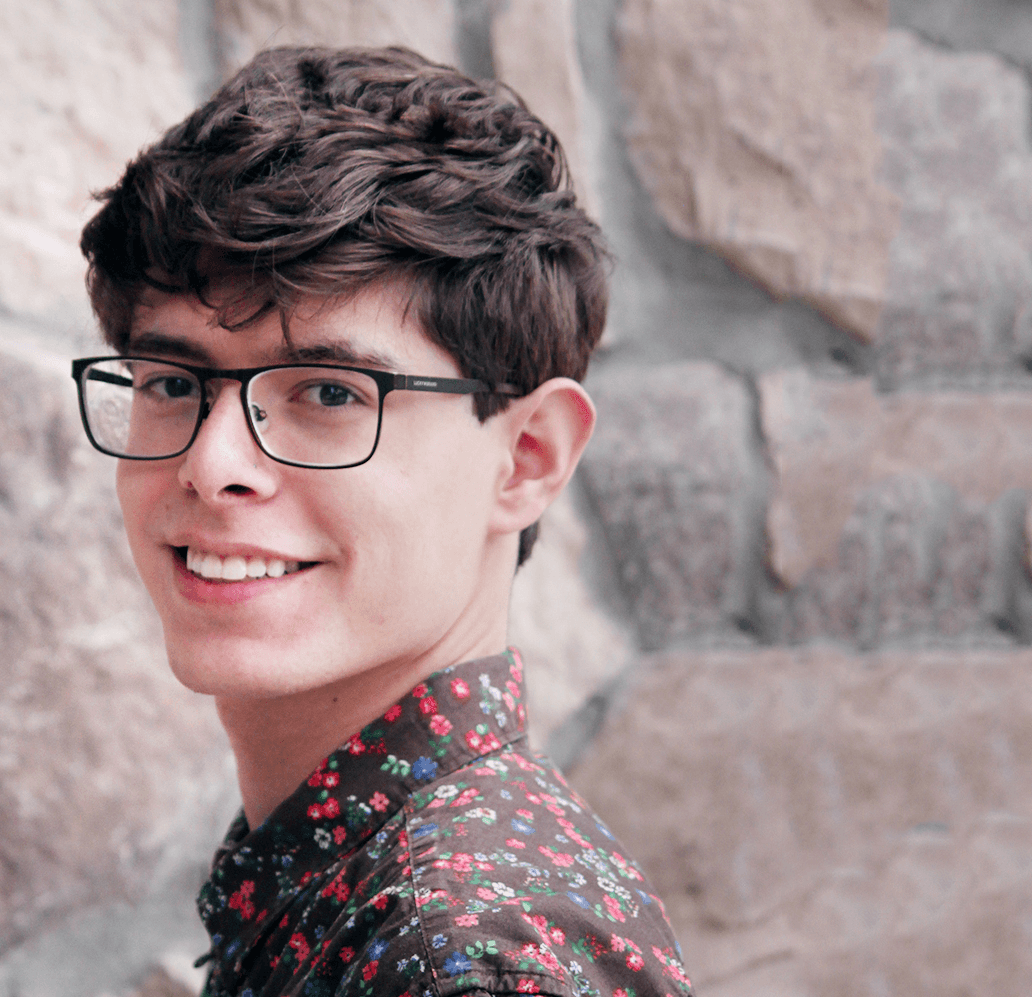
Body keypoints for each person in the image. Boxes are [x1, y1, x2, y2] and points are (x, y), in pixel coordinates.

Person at [72, 46, 690, 997]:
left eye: (329, 391)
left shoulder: (465, 958)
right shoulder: (349, 876)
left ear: (527, 457)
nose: (211, 464)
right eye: (172, 382)